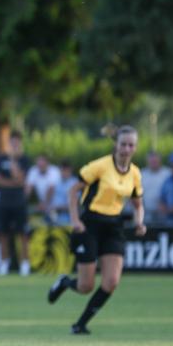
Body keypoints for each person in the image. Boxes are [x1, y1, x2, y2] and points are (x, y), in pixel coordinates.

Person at [47, 126, 145, 334]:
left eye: (131, 145)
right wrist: (75, 220)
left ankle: (80, 324)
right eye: (123, 144)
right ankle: (65, 282)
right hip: (90, 224)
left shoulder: (135, 173)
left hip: (114, 226)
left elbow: (137, 203)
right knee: (86, 286)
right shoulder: (100, 166)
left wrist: (139, 222)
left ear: (135, 147)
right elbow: (73, 191)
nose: (127, 149)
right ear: (116, 145)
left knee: (111, 282)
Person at [0, 131, 32, 275]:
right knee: (3, 234)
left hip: (19, 202)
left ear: (20, 143)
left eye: (16, 142)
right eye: (12, 142)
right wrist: (13, 183)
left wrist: (13, 161)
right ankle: (4, 263)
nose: (14, 145)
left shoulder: (24, 160)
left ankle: (25, 264)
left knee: (22, 234)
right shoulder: (1, 159)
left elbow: (20, 179)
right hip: (3, 202)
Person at [25, 154, 61, 223]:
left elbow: (51, 189)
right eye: (38, 163)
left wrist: (44, 203)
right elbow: (28, 189)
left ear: (47, 163)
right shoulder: (33, 170)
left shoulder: (54, 171)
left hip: (57, 203)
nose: (40, 165)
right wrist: (22, 203)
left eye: (42, 163)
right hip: (44, 205)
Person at [140, 151, 169, 223]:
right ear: (147, 161)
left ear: (160, 160)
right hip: (147, 214)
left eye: (156, 160)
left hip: (165, 214)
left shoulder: (167, 173)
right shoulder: (142, 174)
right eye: (152, 160)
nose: (154, 162)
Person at [50, 160, 78, 225]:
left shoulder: (75, 184)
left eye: (65, 171)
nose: (63, 173)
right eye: (62, 170)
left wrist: (58, 208)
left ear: (70, 171)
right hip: (54, 214)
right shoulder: (57, 182)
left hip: (68, 216)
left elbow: (75, 204)